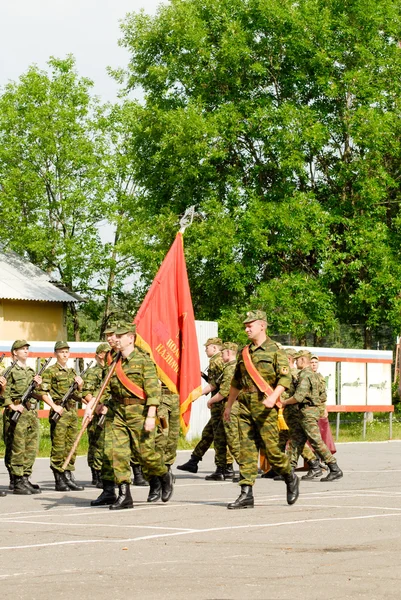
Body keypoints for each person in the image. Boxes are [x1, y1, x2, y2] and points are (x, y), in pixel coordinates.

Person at [89, 322, 173, 510]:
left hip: (140, 414)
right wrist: (93, 404)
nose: (115, 340)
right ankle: (124, 494)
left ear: (131, 338)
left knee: (146, 456)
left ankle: (164, 474)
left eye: (120, 336)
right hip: (118, 413)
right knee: (116, 453)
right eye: (115, 337)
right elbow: (105, 387)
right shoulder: (114, 363)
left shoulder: (144, 361)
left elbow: (153, 391)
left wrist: (151, 416)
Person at [224, 310, 299, 509]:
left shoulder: (275, 350)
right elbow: (236, 381)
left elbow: (285, 378)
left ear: (262, 326)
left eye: (250, 325)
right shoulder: (244, 352)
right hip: (245, 405)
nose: (247, 329)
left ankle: (290, 476)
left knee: (272, 451)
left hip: (266, 406)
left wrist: (273, 397)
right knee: (246, 449)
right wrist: (229, 405)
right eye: (245, 326)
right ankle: (246, 493)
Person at [282, 350, 343, 482]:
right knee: (295, 441)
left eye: (297, 359)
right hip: (306, 412)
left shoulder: (306, 375)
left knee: (316, 441)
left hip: (307, 412)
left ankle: (334, 468)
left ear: (303, 360)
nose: (296, 361)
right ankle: (289, 471)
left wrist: (284, 402)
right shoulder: (314, 375)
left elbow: (298, 396)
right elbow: (322, 395)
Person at [177, 337, 230, 476]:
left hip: (220, 403)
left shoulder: (215, 361)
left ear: (214, 348)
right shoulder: (220, 360)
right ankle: (194, 461)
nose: (205, 349)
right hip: (223, 401)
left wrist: (195, 395)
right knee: (210, 433)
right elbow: (218, 381)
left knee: (219, 436)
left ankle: (223, 468)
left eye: (207, 347)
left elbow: (214, 385)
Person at [36, 341, 85, 492]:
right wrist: (54, 406)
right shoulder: (50, 371)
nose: (65, 354)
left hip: (71, 412)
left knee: (72, 445)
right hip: (60, 411)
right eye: (62, 352)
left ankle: (68, 474)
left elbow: (78, 395)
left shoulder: (72, 372)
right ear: (56, 353)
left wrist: (80, 385)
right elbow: (42, 392)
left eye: (67, 352)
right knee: (59, 446)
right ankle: (59, 478)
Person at [263, 348, 318, 481]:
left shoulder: (293, 373)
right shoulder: (292, 373)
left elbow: (294, 394)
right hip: (285, 409)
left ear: (288, 360)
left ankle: (314, 463)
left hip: (291, 411)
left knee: (295, 440)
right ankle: (277, 468)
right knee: (282, 440)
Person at [2, 340, 42, 495]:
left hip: (30, 413)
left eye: (27, 349)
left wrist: (38, 385)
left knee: (31, 447)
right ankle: (17, 481)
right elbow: (3, 392)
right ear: (14, 353)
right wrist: (12, 406)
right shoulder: (9, 371)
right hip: (17, 413)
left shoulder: (31, 371)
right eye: (22, 349)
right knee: (17, 448)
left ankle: (25, 478)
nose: (26, 351)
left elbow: (35, 393)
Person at [204, 342, 240, 481]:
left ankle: (244, 469)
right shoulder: (228, 367)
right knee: (220, 437)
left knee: (232, 440)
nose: (221, 355)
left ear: (229, 353)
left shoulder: (231, 369)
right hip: (226, 406)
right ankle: (221, 469)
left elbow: (225, 391)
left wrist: (211, 401)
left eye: (223, 352)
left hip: (230, 406)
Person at [82, 342, 111, 488]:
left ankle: (105, 473)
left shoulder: (111, 370)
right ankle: (96, 473)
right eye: (107, 353)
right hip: (96, 412)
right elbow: (86, 393)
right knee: (96, 443)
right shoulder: (93, 372)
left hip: (108, 411)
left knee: (106, 444)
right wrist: (96, 406)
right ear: (100, 354)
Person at [146, 382, 180, 502]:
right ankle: (155, 483)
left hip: (176, 397)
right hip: (158, 399)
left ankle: (166, 473)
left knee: (172, 440)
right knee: (159, 440)